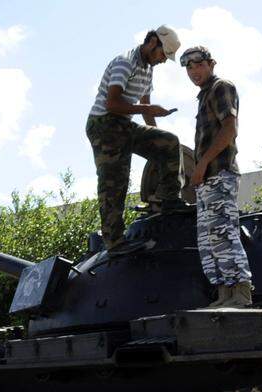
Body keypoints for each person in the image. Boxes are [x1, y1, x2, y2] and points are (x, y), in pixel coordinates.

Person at [86, 25, 184, 255]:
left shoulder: (148, 69)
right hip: (104, 125)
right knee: (114, 182)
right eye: (162, 54)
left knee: (169, 142)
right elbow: (112, 103)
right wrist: (147, 108)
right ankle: (114, 242)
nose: (162, 60)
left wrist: (155, 144)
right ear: (152, 42)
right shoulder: (124, 62)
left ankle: (169, 201)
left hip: (124, 124)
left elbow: (146, 109)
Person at [182, 45, 253, 308]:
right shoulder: (203, 96)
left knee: (223, 234)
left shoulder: (221, 87)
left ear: (211, 63)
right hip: (206, 179)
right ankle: (225, 294)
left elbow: (229, 129)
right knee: (209, 240)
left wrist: (202, 164)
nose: (193, 71)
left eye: (198, 64)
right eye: (188, 67)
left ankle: (241, 294)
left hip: (219, 174)